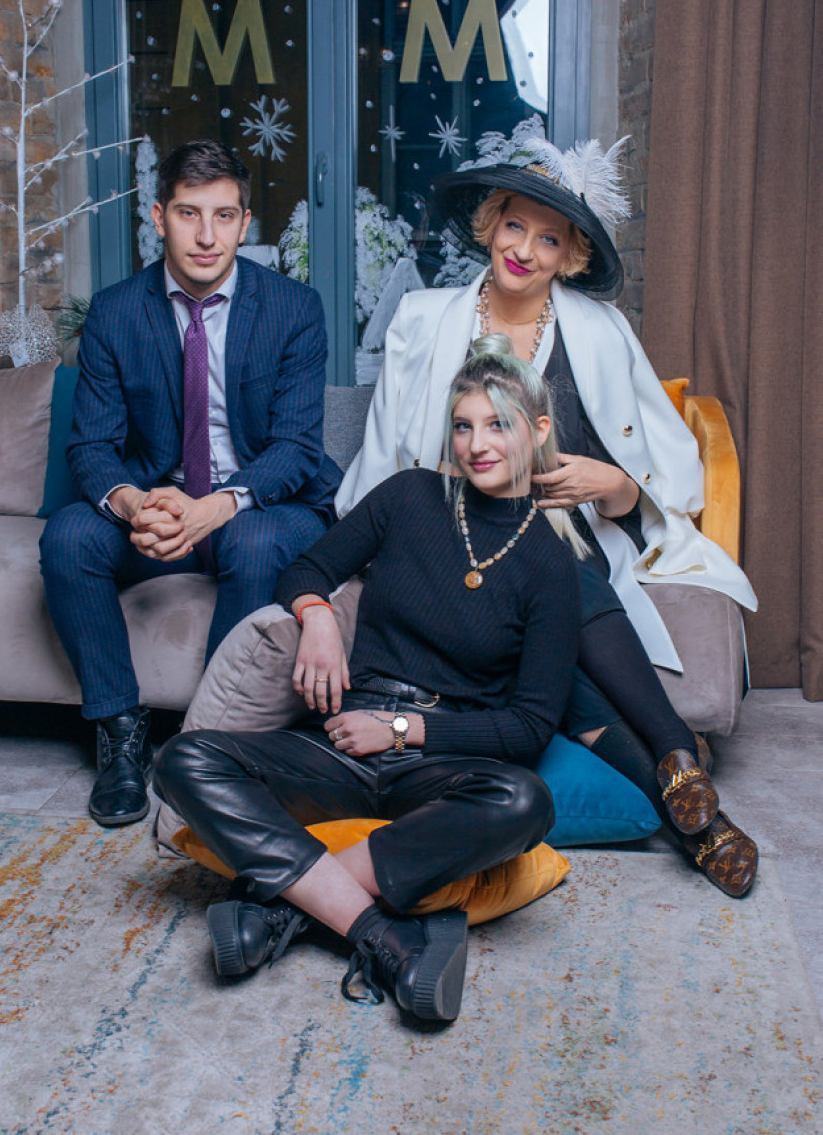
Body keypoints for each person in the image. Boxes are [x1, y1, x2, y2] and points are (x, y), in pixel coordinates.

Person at [337, 121, 758, 896]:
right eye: (514, 226)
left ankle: (684, 796)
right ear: (490, 223)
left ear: (572, 256)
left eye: (549, 239)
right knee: (552, 583)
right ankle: (682, 772)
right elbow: (387, 463)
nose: (524, 250)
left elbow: (662, 475)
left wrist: (612, 483)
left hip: (565, 543)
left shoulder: (601, 331)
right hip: (458, 539)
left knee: (557, 566)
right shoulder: (423, 319)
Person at [153, 338, 582, 1023]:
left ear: (537, 431)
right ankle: (384, 934)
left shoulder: (552, 566)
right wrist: (319, 617)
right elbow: (305, 568)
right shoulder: (410, 496)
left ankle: (279, 913)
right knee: (183, 759)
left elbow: (529, 727)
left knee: (525, 801)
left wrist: (403, 729)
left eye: (497, 424)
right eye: (464, 425)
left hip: (436, 762)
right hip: (340, 743)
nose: (477, 444)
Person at [40, 139, 340, 828]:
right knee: (69, 536)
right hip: (160, 504)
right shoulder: (116, 311)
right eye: (188, 213)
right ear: (158, 217)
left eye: (224, 215)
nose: (207, 236)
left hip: (260, 503)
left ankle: (210, 744)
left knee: (256, 542)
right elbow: (91, 447)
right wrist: (135, 504)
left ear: (244, 221)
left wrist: (216, 507)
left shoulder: (293, 307)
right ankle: (120, 733)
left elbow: (296, 448)